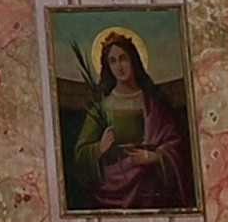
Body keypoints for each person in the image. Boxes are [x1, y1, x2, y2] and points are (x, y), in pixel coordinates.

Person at [65, 29, 194, 210]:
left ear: (133, 60)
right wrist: (98, 149)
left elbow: (178, 144)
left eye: (123, 58)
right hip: (110, 190)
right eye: (113, 61)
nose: (119, 66)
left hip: (150, 191)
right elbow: (79, 156)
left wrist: (155, 157)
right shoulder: (101, 109)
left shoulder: (154, 104)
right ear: (107, 67)